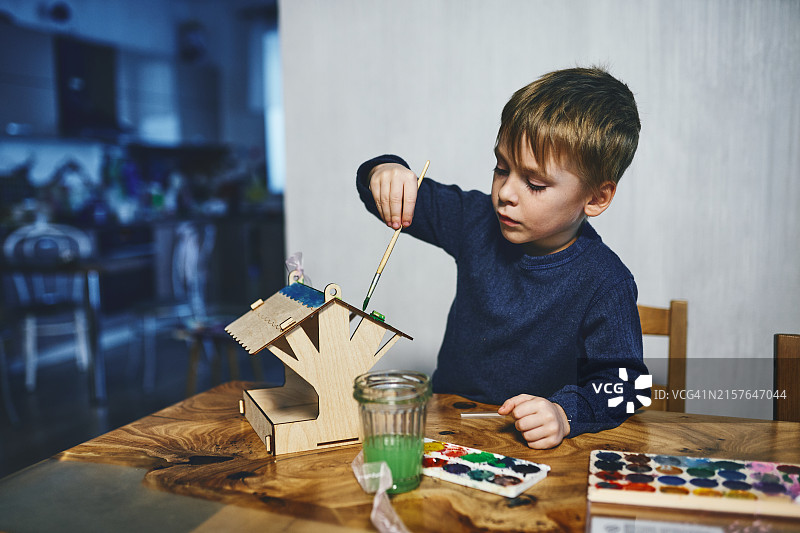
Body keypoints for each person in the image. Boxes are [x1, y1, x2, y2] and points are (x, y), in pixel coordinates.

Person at [356, 67, 649, 449]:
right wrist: (385, 170)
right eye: (501, 168)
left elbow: (627, 387)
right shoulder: (476, 219)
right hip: (446, 428)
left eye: (535, 183)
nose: (506, 192)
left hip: (530, 450)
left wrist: (564, 413)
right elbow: (385, 196)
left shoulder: (606, 281)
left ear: (595, 198)